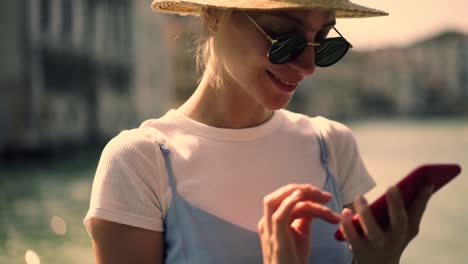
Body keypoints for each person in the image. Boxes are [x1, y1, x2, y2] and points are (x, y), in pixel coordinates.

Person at [84, 0, 434, 263]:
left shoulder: (332, 145)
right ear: (213, 14)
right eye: (284, 37)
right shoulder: (140, 162)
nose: (309, 66)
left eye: (324, 39)